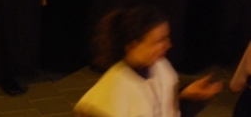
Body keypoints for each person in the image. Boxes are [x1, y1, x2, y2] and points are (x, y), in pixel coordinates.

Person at [74, 6, 222, 116]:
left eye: (167, 37)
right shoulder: (109, 94)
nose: (169, 45)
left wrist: (187, 98)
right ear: (133, 46)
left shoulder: (161, 67)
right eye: (159, 40)